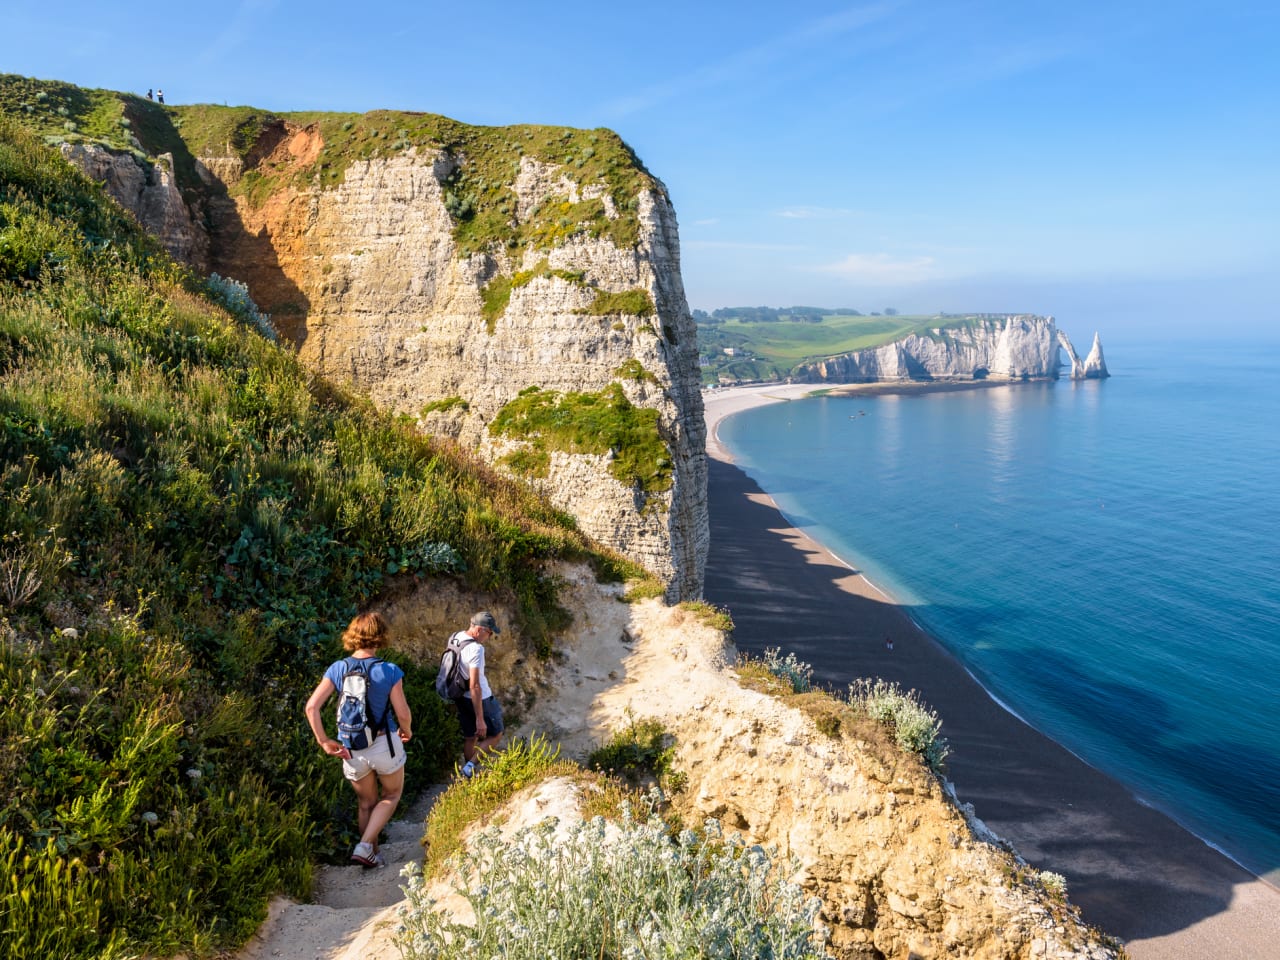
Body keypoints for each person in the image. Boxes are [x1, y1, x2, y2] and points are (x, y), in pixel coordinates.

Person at [304, 611, 412, 867]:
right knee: (392, 794)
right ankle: (365, 847)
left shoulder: (337, 668)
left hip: (350, 748)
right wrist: (406, 730)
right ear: (380, 636)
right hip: (384, 743)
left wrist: (324, 741)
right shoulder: (389, 670)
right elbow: (403, 712)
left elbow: (311, 707)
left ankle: (371, 854)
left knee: (366, 804)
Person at [449, 611, 505, 778]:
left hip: (459, 695)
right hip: (480, 699)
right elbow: (475, 685)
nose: (489, 636)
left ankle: (468, 775)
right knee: (496, 734)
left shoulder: (455, 637)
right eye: (489, 633)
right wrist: (480, 718)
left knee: (470, 737)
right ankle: (470, 766)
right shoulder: (476, 649)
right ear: (480, 629)